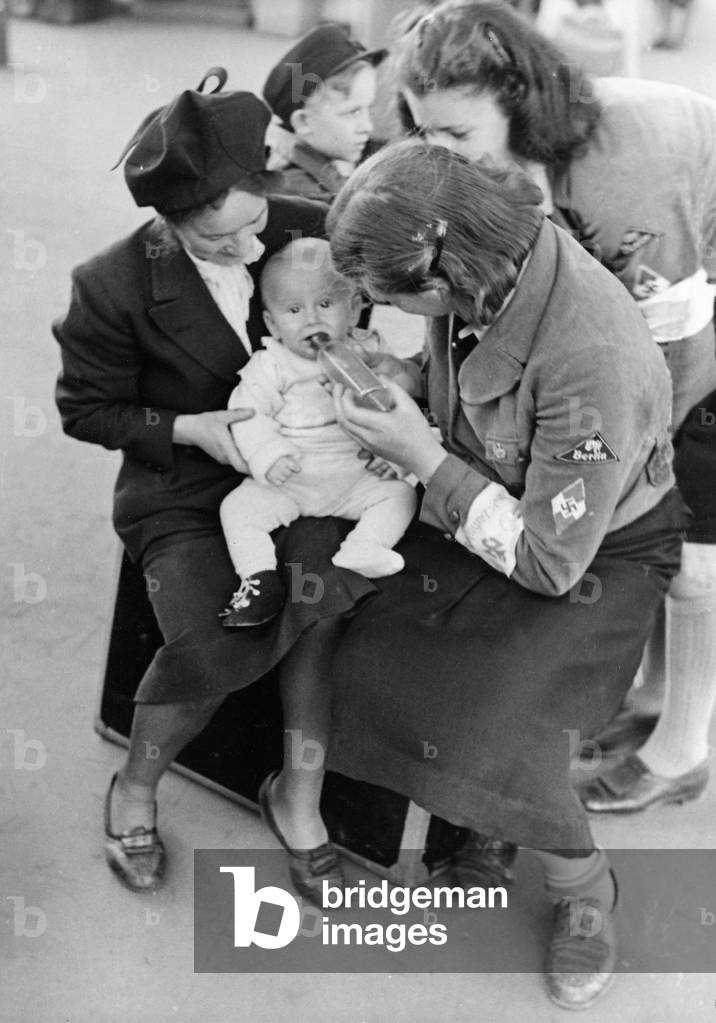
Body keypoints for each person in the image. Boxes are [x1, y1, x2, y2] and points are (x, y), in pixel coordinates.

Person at [323, 139, 689, 1009]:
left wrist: (418, 452)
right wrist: (403, 376)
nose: (386, 312)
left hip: (600, 551)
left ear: (445, 281)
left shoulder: (590, 358)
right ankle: (484, 816)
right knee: (360, 629)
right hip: (491, 490)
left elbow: (548, 560)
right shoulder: (490, 253)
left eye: (392, 302)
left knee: (503, 713)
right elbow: (476, 379)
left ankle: (583, 886)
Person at [52, 73, 378, 905]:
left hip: (310, 470)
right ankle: (135, 786)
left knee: (321, 606)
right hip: (185, 491)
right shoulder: (111, 284)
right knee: (217, 634)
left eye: (258, 217)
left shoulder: (300, 231)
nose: (253, 244)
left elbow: (360, 315)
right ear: (171, 220)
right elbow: (86, 409)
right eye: (223, 237)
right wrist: (186, 429)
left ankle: (296, 798)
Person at [390, 0, 716, 816]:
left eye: (456, 136)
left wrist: (632, 472)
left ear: (519, 106)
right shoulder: (490, 156)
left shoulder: (625, 170)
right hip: (662, 310)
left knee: (691, 544)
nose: (435, 153)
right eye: (422, 131)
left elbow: (665, 351)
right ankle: (647, 698)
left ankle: (683, 751)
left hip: (692, 330)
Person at [218, 237, 417, 627]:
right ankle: (258, 577)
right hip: (292, 475)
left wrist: (390, 453)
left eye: (326, 305)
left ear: (356, 307)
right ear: (273, 322)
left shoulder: (370, 351)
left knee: (402, 494)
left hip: (357, 473)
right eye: (294, 310)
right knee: (238, 510)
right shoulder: (271, 364)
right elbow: (247, 413)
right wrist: (269, 455)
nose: (311, 320)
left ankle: (365, 546)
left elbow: (390, 407)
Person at [262, 22, 387, 203]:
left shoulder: (320, 167)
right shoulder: (306, 196)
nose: (368, 126)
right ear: (304, 122)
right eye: (353, 112)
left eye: (368, 109)